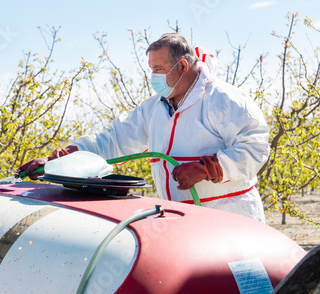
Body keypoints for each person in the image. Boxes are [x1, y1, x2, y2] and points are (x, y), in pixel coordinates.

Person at [16, 33, 270, 222]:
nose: (153, 77)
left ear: (182, 66)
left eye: (158, 69)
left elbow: (255, 147)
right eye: (151, 69)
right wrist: (63, 158)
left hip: (230, 218)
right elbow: (113, 139)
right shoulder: (154, 108)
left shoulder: (223, 99)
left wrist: (207, 169)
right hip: (182, 218)